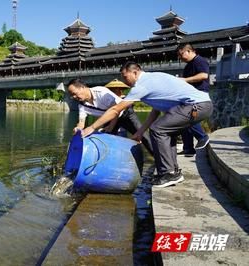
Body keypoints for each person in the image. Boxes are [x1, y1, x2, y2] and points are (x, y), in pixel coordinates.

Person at [81, 62, 213, 188]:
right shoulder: (153, 78)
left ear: (135, 72)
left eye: (125, 77)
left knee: (158, 129)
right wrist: (139, 132)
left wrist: (92, 127)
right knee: (167, 131)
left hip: (196, 106)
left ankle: (168, 173)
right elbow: (155, 111)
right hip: (201, 104)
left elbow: (116, 109)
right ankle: (173, 171)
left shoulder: (141, 85)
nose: (124, 81)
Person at [67, 78, 153, 155]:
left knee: (144, 136)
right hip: (109, 118)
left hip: (125, 113)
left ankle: (159, 160)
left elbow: (115, 110)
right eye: (71, 95)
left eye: (74, 93)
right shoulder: (82, 105)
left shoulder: (100, 92)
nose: (74, 97)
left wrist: (111, 127)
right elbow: (81, 122)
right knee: (104, 140)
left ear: (82, 87)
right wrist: (78, 128)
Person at [177, 43, 211, 156]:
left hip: (199, 95)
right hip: (190, 96)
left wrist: (185, 80)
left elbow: (204, 76)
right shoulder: (188, 66)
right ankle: (188, 148)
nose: (180, 58)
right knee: (183, 122)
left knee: (187, 117)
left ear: (189, 51)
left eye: (181, 54)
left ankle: (202, 137)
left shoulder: (199, 61)